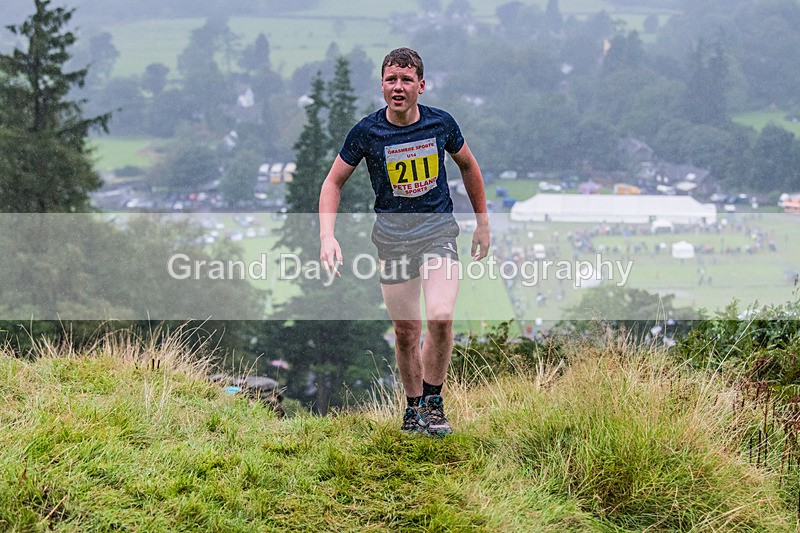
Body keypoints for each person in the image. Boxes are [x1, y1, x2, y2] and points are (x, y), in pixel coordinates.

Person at [318, 47, 490, 436]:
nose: (398, 87)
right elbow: (333, 182)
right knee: (406, 332)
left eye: (406, 80)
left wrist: (482, 223)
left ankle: (433, 403)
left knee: (442, 317)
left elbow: (468, 166)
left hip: (437, 233)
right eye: (391, 79)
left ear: (421, 86)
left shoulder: (441, 124)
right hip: (393, 243)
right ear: (382, 85)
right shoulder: (366, 132)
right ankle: (412, 410)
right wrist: (327, 235)